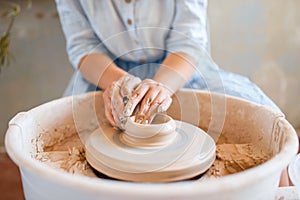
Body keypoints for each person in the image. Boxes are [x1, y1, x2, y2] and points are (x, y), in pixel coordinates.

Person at [55, 0, 279, 128]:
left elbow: (187, 43)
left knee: (261, 117)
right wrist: (119, 82)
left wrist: (161, 87)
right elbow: (84, 47)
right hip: (107, 70)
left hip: (178, 65)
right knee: (65, 125)